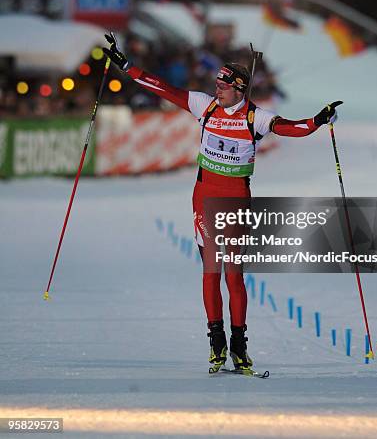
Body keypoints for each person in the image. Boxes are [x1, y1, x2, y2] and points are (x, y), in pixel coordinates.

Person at [103, 33, 342, 373]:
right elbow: (163, 89)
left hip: (236, 202)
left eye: (224, 85)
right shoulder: (205, 105)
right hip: (203, 198)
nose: (217, 89)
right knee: (211, 272)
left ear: (240, 88)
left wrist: (319, 120)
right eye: (216, 83)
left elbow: (293, 129)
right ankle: (216, 343)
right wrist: (128, 67)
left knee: (234, 276)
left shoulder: (255, 118)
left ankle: (239, 346)